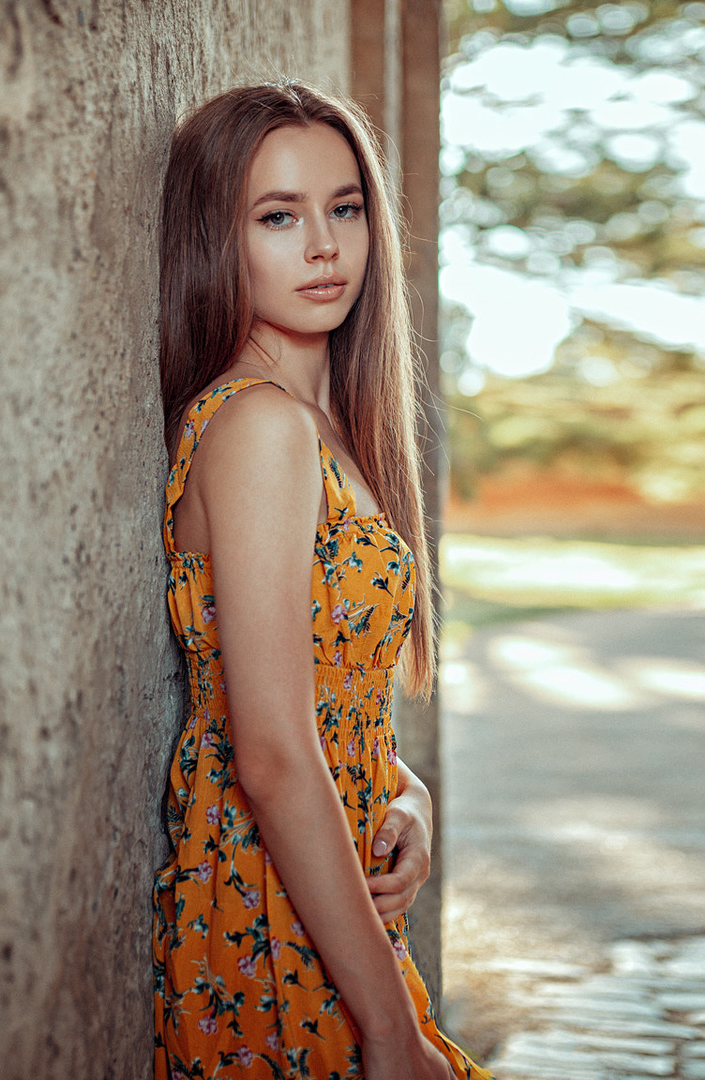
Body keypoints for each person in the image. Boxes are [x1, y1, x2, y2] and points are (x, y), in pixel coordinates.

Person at [151, 82, 493, 1080]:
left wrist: (409, 794)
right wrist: (390, 1031)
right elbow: (268, 749)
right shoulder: (257, 428)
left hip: (331, 908)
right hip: (267, 924)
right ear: (217, 238)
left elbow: (331, 694)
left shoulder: (325, 428)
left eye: (344, 208)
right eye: (277, 216)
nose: (324, 247)